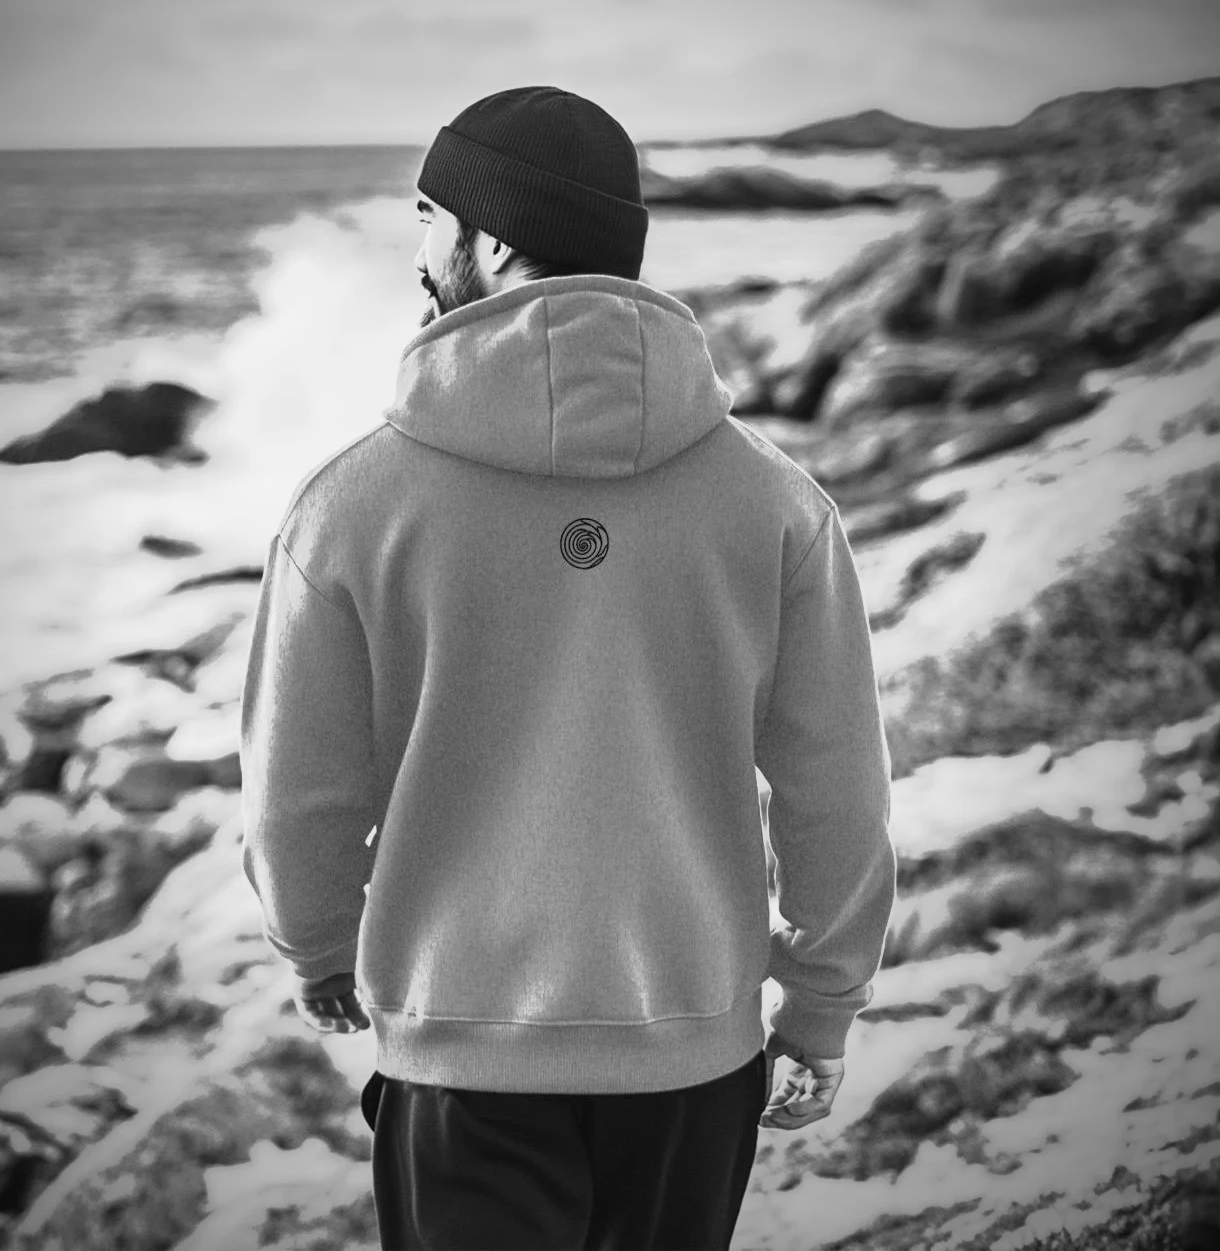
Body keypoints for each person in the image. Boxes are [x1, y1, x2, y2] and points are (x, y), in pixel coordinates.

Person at [239, 85, 896, 1250]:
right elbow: (835, 787)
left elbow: (299, 789)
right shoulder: (774, 504)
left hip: (461, 1059)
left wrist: (317, 943)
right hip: (692, 1060)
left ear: (493, 242)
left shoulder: (349, 507)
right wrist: (820, 1002)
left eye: (429, 218)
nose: (416, 252)